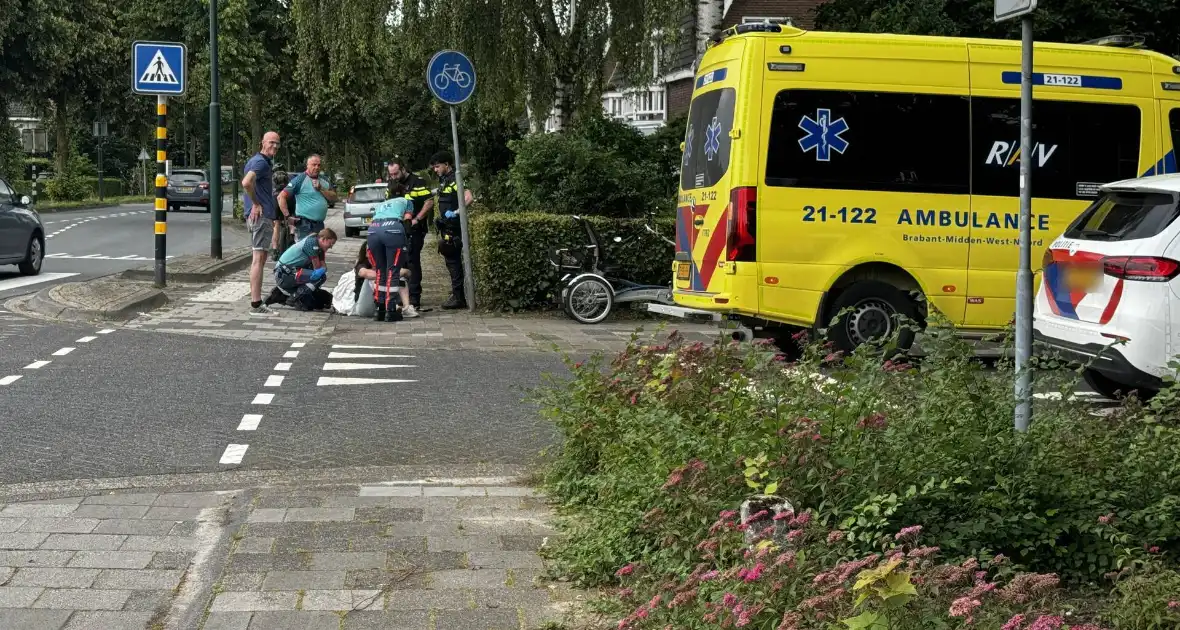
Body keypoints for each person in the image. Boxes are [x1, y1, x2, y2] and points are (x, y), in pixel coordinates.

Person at [241, 131, 281, 317]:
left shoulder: (258, 162)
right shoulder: (261, 162)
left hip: (261, 216)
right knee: (258, 258)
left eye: (277, 143)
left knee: (261, 257)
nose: (274, 146)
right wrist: (256, 204)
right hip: (260, 217)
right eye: (271, 142)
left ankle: (257, 302)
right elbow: (246, 183)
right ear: (262, 143)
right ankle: (256, 305)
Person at [385, 158, 432, 310]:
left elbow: (429, 202)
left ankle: (414, 297)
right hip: (397, 230)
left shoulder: (417, 182)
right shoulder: (390, 184)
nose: (393, 177)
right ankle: (401, 297)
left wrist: (417, 219)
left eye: (396, 173)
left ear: (403, 169)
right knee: (399, 261)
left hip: (415, 228)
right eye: (391, 174)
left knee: (412, 260)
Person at [429, 151, 473, 310]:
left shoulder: (455, 179)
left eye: (437, 166)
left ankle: (458, 297)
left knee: (453, 262)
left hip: (454, 227)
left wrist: (455, 213)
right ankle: (456, 293)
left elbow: (468, 197)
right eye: (434, 167)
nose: (435, 170)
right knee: (450, 262)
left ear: (447, 164)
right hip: (447, 226)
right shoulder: (444, 180)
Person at [367, 197, 419, 322]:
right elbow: (407, 219)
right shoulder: (407, 201)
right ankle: (390, 310)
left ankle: (379, 309)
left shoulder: (382, 204)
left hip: (373, 229)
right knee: (393, 270)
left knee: (380, 270)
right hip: (392, 229)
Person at [268, 228, 338, 311]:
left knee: (310, 304)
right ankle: (293, 298)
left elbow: (323, 267)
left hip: (290, 272)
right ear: (324, 239)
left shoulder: (319, 247)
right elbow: (318, 269)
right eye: (331, 243)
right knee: (320, 277)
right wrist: (321, 270)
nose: (331, 247)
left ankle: (284, 296)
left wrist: (322, 269)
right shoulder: (312, 244)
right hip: (284, 274)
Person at [281, 154, 336, 241]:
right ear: (307, 165)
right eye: (314, 165)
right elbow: (281, 197)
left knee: (318, 251)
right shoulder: (299, 180)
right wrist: (288, 217)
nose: (317, 167)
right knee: (305, 251)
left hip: (319, 224)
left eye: (319, 165)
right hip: (304, 224)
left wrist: (321, 189)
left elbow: (333, 197)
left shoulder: (324, 180)